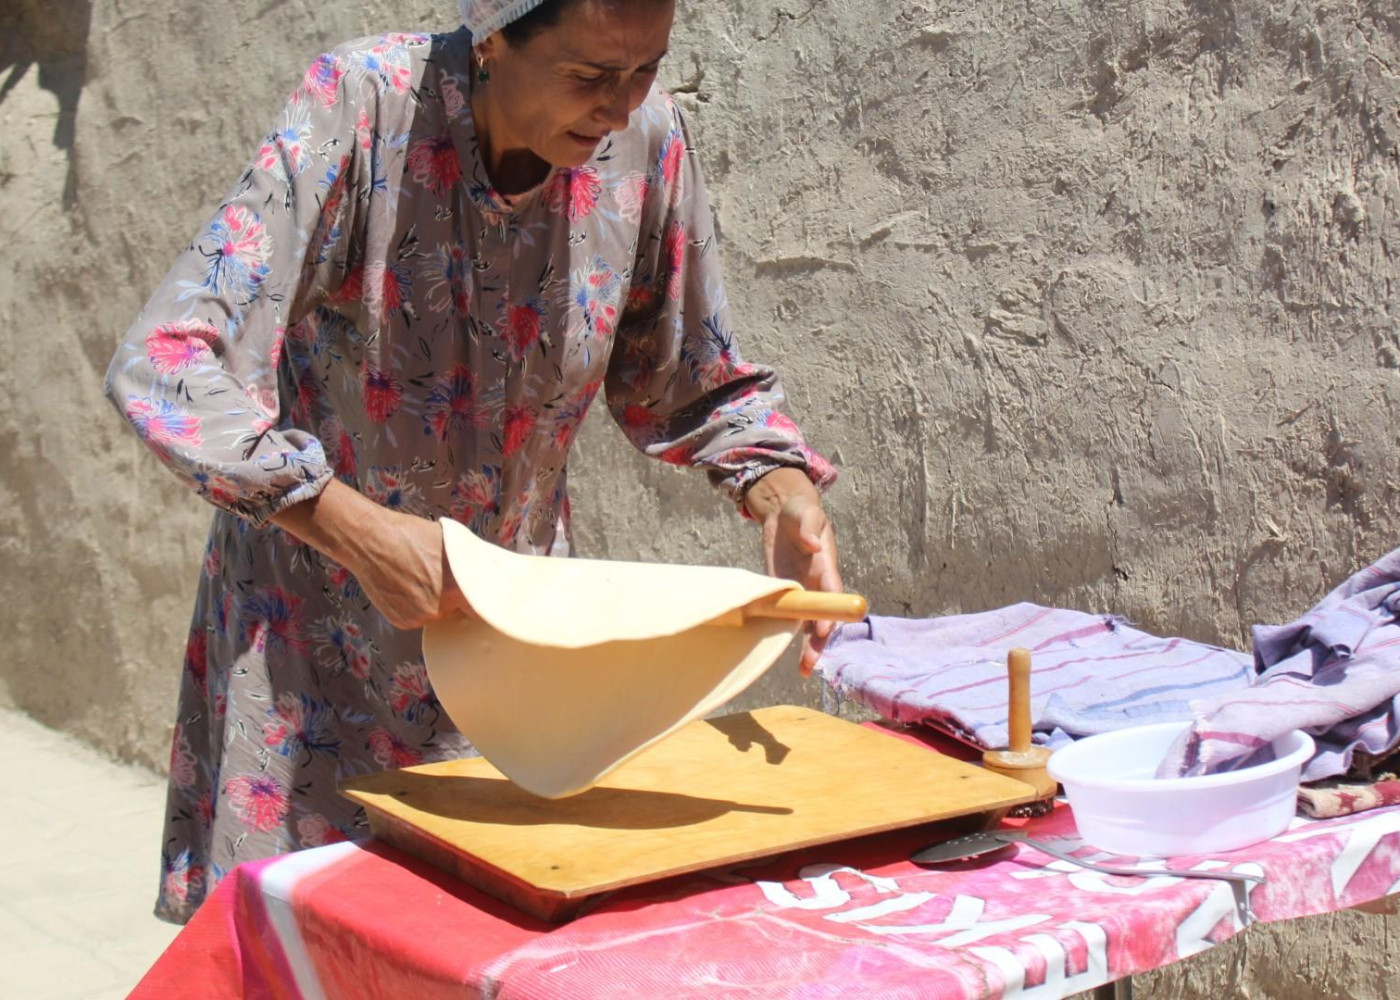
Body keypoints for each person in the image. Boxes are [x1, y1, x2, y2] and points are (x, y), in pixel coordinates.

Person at [105, 0, 840, 924]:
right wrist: (350, 527)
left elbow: (691, 381)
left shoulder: (645, 147)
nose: (617, 107)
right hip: (308, 654)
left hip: (514, 658)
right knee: (305, 950)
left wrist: (778, 486)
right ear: (491, 36)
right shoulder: (364, 108)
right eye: (587, 75)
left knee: (487, 949)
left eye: (644, 70)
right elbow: (166, 361)